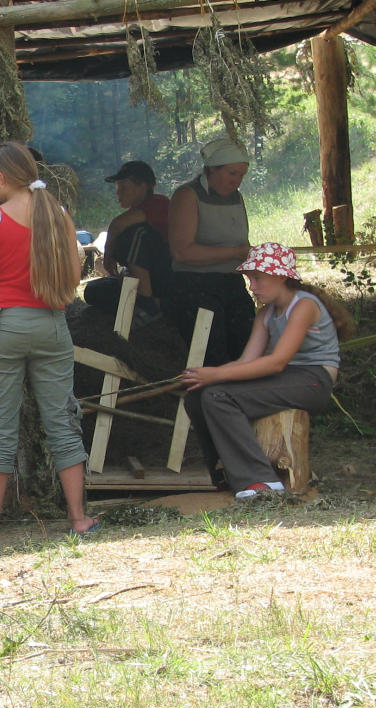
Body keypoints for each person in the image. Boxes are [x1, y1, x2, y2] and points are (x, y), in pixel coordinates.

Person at [0, 141, 97, 540]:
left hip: (5, 326)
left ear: (2, 177)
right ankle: (79, 518)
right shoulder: (58, 214)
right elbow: (74, 276)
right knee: (62, 421)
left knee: (1, 424)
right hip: (52, 324)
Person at [180, 242, 352, 499]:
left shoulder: (304, 306)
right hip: (285, 379)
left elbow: (276, 362)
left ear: (280, 277)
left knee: (218, 396)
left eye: (258, 279)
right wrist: (203, 376)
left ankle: (262, 481)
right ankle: (223, 473)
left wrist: (215, 375)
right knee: (196, 396)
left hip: (313, 381)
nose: (252, 287)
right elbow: (245, 361)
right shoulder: (266, 314)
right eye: (250, 279)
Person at [167, 138, 253, 366]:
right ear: (212, 169)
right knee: (212, 356)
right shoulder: (187, 195)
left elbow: (241, 242)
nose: (237, 181)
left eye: (241, 175)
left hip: (232, 283)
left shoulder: (237, 197)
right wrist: (235, 252)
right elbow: (182, 252)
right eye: (232, 173)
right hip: (195, 286)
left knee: (246, 351)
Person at [83, 160, 171, 322]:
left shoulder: (159, 203)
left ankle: (148, 303)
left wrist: (108, 255)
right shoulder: (137, 214)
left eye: (123, 187)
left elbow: (117, 224)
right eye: (117, 188)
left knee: (137, 234)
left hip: (163, 278)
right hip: (136, 279)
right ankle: (140, 301)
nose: (118, 193)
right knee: (93, 290)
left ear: (143, 186)